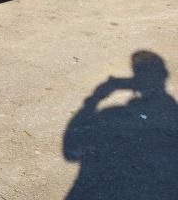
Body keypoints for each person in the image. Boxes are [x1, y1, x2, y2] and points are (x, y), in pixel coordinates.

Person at [63, 51, 178, 199]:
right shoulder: (170, 108)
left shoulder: (109, 114)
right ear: (165, 75)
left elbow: (70, 151)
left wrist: (93, 100)